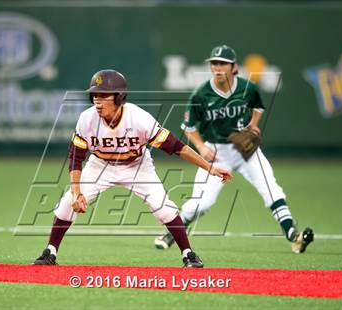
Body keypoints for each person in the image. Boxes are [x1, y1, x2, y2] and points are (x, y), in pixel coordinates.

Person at [33, 69, 233, 267]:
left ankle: (188, 254)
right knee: (68, 202)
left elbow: (177, 147)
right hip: (100, 165)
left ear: (119, 97)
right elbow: (76, 156)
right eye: (95, 94)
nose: (97, 100)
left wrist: (209, 168)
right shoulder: (87, 118)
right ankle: (50, 251)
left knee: (163, 207)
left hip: (137, 166)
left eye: (104, 95)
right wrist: (77, 192)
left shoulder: (139, 119)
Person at [154, 45, 314, 254]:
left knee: (271, 189)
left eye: (222, 64)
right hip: (216, 152)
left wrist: (254, 125)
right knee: (202, 203)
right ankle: (171, 233)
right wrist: (201, 146)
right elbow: (189, 128)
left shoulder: (248, 88)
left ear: (233, 67)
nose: (217, 68)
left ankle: (293, 234)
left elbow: (257, 107)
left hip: (245, 149)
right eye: (214, 63)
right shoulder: (201, 95)